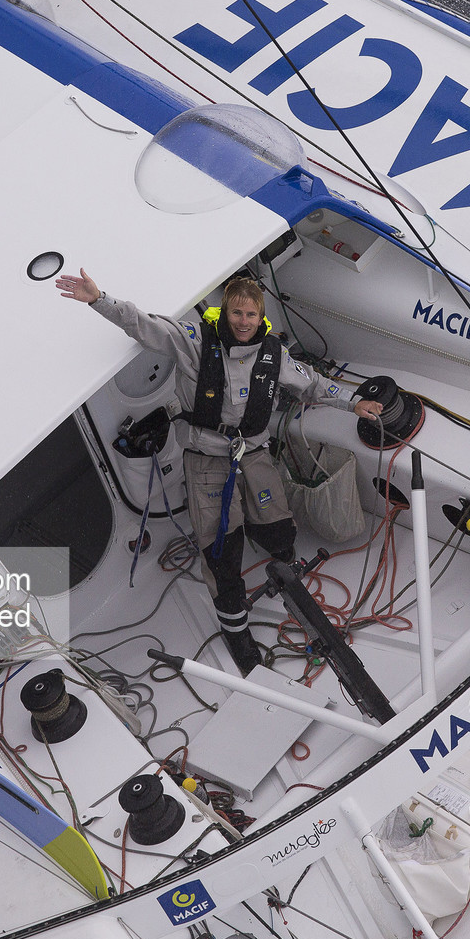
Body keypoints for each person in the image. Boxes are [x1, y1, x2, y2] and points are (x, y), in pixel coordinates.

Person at [57, 268, 382, 674]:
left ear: (261, 316)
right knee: (221, 553)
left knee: (280, 526)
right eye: (236, 314)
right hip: (207, 458)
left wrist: (355, 403)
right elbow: (141, 325)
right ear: (225, 312)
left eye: (251, 315)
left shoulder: (273, 353)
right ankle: (236, 630)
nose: (244, 323)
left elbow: (314, 384)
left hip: (254, 451)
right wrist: (97, 298)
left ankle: (287, 579)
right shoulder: (193, 342)